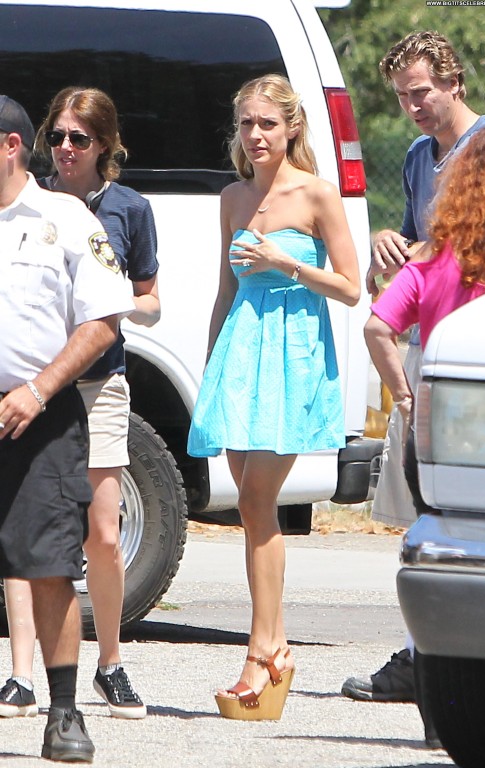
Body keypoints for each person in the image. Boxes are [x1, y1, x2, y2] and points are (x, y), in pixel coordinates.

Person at [187, 74, 360, 720]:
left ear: (291, 128)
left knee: (258, 500)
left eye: (267, 123)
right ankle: (276, 648)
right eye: (246, 124)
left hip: (294, 353)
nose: (256, 135)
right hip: (241, 355)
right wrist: (212, 367)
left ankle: (260, 654)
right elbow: (225, 291)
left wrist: (285, 263)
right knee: (252, 511)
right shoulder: (233, 197)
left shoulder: (315, 193)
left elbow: (351, 288)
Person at [341, 30, 485, 715]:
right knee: (425, 517)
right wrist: (389, 242)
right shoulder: (415, 156)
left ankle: (442, 662)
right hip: (430, 343)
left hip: (483, 348)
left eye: (422, 92)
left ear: (454, 82)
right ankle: (421, 657)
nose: (413, 106)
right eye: (403, 96)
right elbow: (416, 248)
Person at [0, 87, 160, 721]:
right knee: (22, 537)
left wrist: (107, 304)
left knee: (98, 532)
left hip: (93, 384)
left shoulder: (119, 210)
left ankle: (109, 663)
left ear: (103, 144)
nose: (66, 147)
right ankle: (21, 675)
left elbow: (139, 300)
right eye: (58, 136)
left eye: (79, 138)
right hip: (31, 393)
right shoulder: (33, 203)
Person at [364, 120, 485, 742]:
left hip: (440, 433)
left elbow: (378, 327)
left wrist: (404, 397)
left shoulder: (431, 257)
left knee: (443, 555)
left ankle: (437, 713)